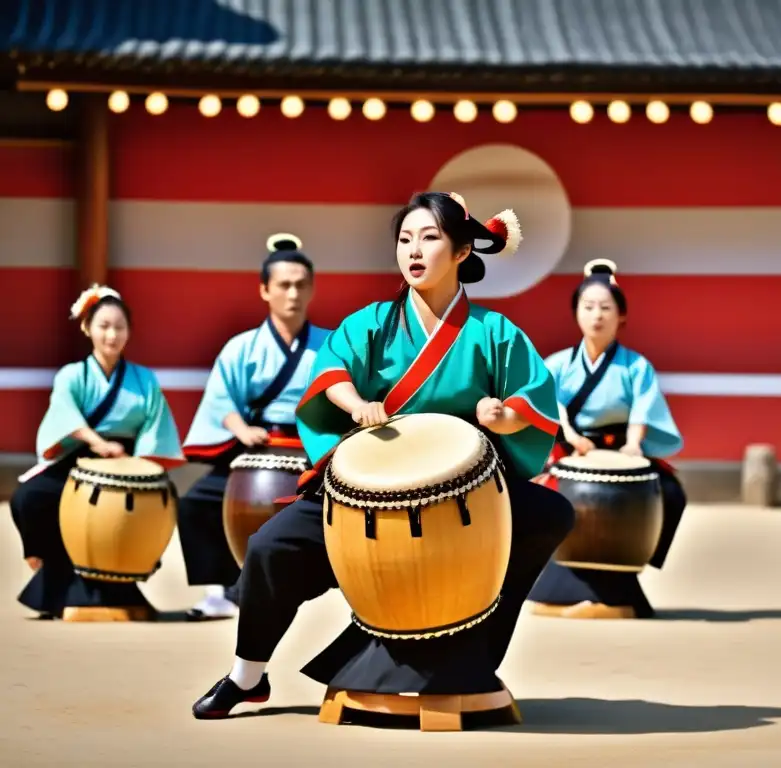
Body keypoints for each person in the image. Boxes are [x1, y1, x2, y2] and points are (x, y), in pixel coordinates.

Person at [191, 191, 575, 719]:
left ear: (463, 251)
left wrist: (503, 417)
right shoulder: (370, 323)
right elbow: (332, 374)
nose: (413, 251)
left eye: (429, 238)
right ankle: (247, 675)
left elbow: (531, 400)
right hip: (368, 493)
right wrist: (355, 405)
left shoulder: (494, 332)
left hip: (465, 500)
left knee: (549, 513)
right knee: (269, 547)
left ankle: (469, 649)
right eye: (404, 239)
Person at [176, 234, 329, 620]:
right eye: (283, 285)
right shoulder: (241, 347)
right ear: (264, 290)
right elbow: (222, 399)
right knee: (197, 502)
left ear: (311, 288)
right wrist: (240, 429)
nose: (293, 293)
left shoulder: (330, 344)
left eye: (301, 284)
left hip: (314, 447)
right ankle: (223, 591)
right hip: (258, 445)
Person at [9, 285, 185, 619]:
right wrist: (97, 443)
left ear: (129, 332)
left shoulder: (144, 379)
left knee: (162, 499)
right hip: (79, 460)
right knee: (28, 498)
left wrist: (142, 467)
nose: (112, 335)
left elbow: (154, 426)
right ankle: (45, 558)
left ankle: (128, 571)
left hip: (129, 461)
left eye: (119, 327)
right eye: (103, 326)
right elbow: (65, 413)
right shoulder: (72, 375)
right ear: (87, 328)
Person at [527, 260, 687, 618]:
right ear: (576, 314)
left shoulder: (635, 366)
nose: (596, 315)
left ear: (621, 316)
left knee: (671, 493)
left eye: (605, 307)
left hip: (619, 449)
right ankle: (557, 588)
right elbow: (545, 403)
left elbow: (643, 409)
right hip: (570, 449)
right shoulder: (558, 363)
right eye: (588, 307)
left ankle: (632, 563)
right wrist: (569, 435)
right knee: (540, 498)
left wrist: (633, 445)